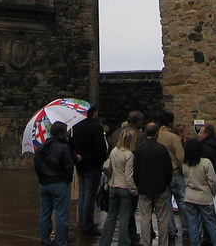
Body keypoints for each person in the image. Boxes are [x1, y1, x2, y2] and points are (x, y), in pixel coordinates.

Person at [34, 120, 75, 246]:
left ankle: (45, 240)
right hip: (58, 182)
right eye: (65, 132)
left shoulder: (41, 148)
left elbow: (37, 166)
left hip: (44, 183)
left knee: (45, 214)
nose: (67, 135)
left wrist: (42, 178)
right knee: (61, 215)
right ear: (60, 134)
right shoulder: (63, 148)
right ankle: (61, 241)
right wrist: (67, 180)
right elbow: (69, 166)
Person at [69, 104, 107, 236]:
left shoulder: (76, 127)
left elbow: (72, 144)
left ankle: (83, 221)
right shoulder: (96, 127)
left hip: (80, 164)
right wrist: (100, 161)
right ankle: (87, 224)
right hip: (92, 165)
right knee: (90, 195)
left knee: (83, 194)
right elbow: (101, 148)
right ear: (94, 113)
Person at [134, 122, 173, 246]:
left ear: (145, 133)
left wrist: (138, 183)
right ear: (157, 133)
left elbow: (136, 170)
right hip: (159, 186)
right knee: (162, 218)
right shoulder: (162, 149)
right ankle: (163, 243)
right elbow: (168, 169)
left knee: (145, 218)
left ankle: (145, 242)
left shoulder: (140, 149)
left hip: (144, 187)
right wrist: (166, 183)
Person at [99, 128, 138, 246]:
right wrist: (134, 190)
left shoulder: (114, 151)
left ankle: (104, 242)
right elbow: (128, 176)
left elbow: (108, 169)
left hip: (112, 185)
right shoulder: (129, 155)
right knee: (124, 218)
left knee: (111, 216)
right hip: (124, 188)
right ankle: (123, 243)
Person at [182, 138, 216, 246]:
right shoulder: (206, 162)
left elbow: (185, 178)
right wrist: (213, 193)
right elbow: (213, 181)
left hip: (190, 196)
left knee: (193, 225)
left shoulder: (185, 164)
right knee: (211, 224)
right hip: (204, 197)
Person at [157, 112, 187, 243]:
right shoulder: (174, 137)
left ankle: (171, 230)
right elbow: (181, 157)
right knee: (182, 202)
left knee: (166, 204)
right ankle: (186, 229)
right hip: (175, 173)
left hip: (161, 174)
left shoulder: (156, 136)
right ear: (170, 123)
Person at [198, 122, 216, 237]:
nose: (199, 134)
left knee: (206, 211)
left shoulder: (203, 148)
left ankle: (209, 236)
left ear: (206, 134)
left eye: (201, 132)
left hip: (206, 182)